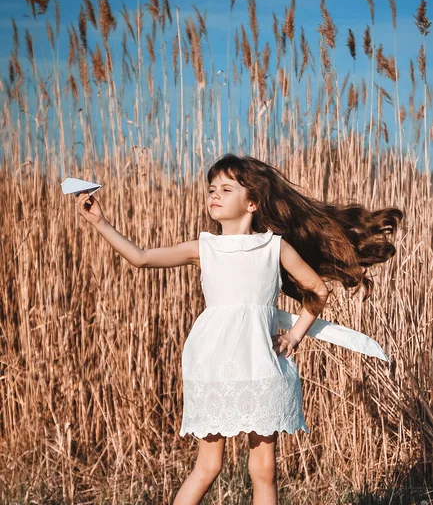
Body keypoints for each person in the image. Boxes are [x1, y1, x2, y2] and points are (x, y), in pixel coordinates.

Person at [75, 153, 403, 505]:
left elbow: (318, 291)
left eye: (226, 189)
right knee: (208, 465)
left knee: (264, 469)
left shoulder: (273, 247)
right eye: (212, 188)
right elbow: (140, 258)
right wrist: (100, 222)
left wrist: (295, 335)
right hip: (213, 365)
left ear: (252, 202)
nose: (214, 194)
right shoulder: (204, 248)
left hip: (262, 366)